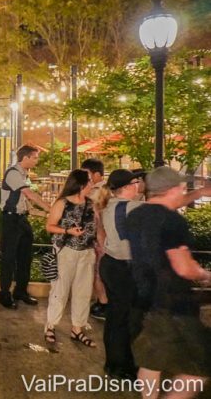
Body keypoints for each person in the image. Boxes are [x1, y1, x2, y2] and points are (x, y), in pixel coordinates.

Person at [124, 167, 211, 397]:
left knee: (152, 361)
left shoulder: (135, 215)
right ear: (174, 189)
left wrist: (199, 191)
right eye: (182, 189)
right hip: (174, 302)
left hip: (144, 297)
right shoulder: (173, 221)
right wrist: (204, 274)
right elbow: (183, 267)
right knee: (200, 368)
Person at [97, 169, 144, 379]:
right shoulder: (131, 207)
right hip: (123, 267)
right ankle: (122, 366)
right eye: (136, 182)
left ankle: (114, 364)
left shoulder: (111, 205)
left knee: (116, 317)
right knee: (125, 319)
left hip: (111, 264)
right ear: (127, 187)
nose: (140, 184)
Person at [43, 169, 97, 347]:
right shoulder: (63, 203)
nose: (92, 183)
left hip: (87, 252)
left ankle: (77, 328)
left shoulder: (91, 203)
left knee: (83, 291)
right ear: (81, 185)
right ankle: (50, 325)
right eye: (89, 181)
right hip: (66, 251)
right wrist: (67, 231)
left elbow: (97, 227)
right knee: (61, 289)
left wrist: (99, 245)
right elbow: (49, 227)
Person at [0, 144, 51, 309]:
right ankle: (4, 294)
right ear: (25, 157)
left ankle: (20, 291)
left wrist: (42, 214)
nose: (37, 160)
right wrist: (51, 208)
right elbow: (29, 194)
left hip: (21, 220)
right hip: (10, 220)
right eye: (35, 157)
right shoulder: (13, 173)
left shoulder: (23, 174)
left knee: (25, 257)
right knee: (9, 259)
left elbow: (24, 202)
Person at [82, 158, 108, 320]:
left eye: (88, 174)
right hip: (104, 237)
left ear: (97, 175)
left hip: (99, 237)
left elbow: (95, 218)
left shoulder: (97, 192)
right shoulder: (108, 189)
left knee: (97, 273)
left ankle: (103, 302)